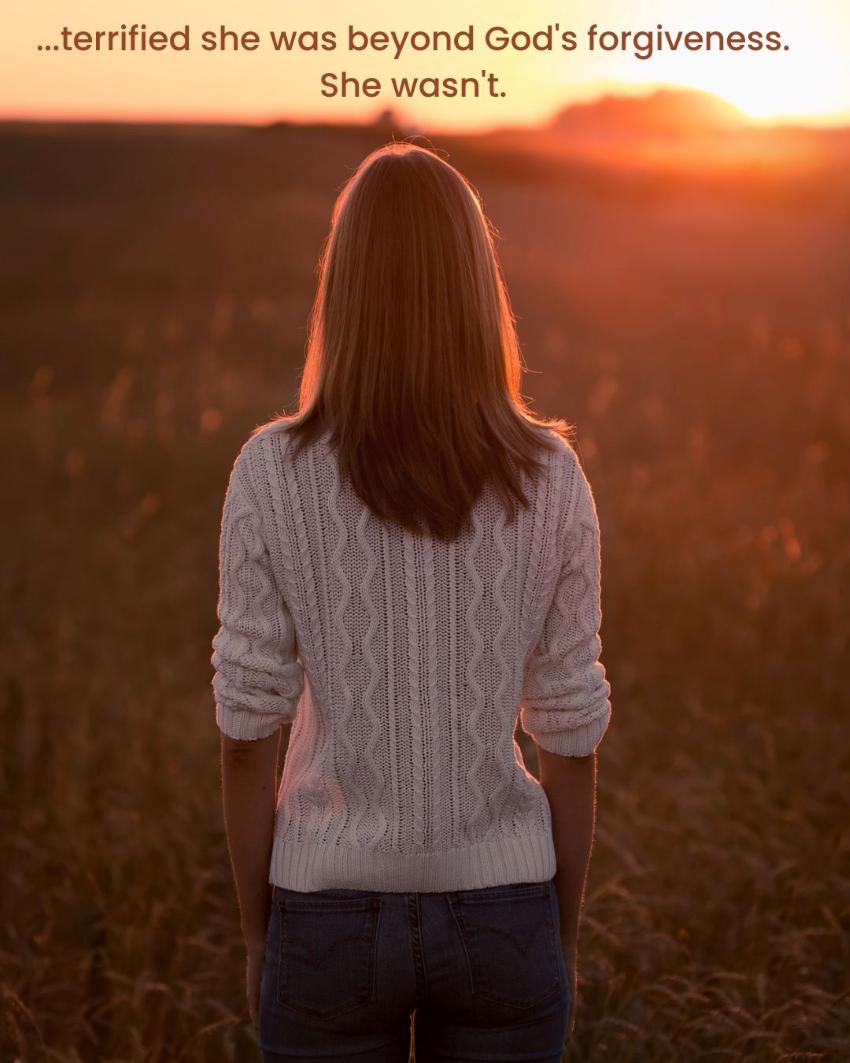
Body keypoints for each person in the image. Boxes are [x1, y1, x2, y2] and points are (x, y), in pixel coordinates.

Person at [211, 142, 612, 1063]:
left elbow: (244, 732)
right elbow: (570, 735)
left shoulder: (271, 471)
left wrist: (259, 933)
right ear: (479, 283)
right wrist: (561, 932)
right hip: (506, 908)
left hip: (323, 915)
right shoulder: (550, 475)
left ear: (341, 287)